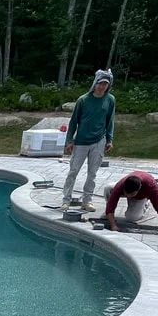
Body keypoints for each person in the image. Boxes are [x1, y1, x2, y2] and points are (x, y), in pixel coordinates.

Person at [61, 69, 115, 211]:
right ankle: (66, 200)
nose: (102, 86)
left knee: (93, 174)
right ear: (95, 83)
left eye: (105, 84)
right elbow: (73, 122)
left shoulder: (110, 100)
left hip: (99, 141)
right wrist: (69, 141)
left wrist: (109, 139)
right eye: (100, 83)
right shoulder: (83, 100)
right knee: (73, 171)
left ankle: (87, 201)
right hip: (81, 141)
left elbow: (110, 121)